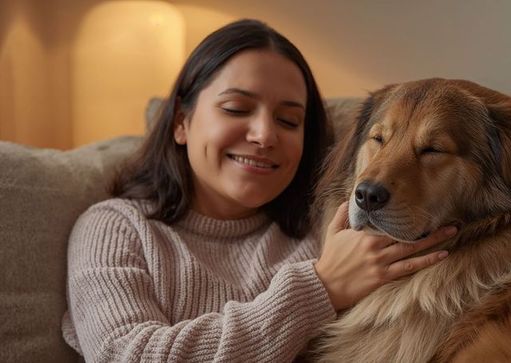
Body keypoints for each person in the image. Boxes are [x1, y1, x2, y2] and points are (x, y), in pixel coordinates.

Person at [61, 19, 455, 362]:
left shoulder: (334, 234)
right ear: (181, 122)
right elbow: (129, 356)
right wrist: (319, 289)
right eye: (236, 109)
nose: (265, 135)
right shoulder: (115, 229)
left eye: (288, 120)